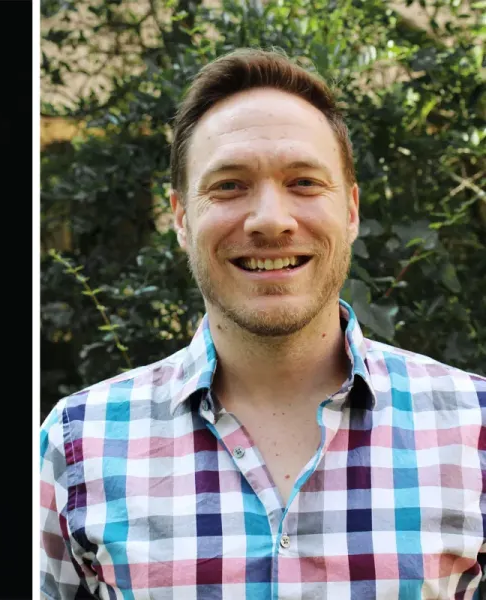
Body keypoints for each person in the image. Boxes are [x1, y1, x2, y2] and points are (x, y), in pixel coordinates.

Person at [39, 48, 486, 599]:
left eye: (303, 182)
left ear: (350, 211)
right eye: (228, 185)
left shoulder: (475, 428)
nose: (271, 220)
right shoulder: (78, 442)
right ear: (181, 217)